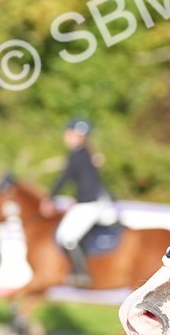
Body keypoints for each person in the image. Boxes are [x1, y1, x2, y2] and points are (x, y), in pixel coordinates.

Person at [44, 117, 117, 284]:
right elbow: (86, 182)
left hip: (90, 204)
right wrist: (77, 198)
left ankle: (81, 273)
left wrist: (50, 198)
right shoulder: (85, 155)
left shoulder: (78, 155)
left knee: (67, 237)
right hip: (89, 202)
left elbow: (64, 178)